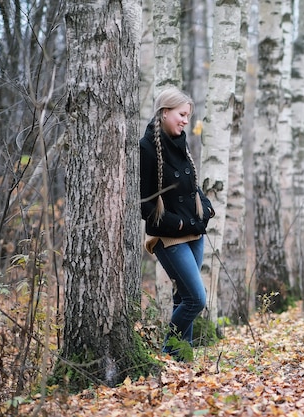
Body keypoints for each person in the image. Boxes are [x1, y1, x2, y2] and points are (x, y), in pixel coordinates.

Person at [140, 87, 215, 361]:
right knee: (196, 299)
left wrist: (206, 208)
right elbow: (145, 204)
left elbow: (191, 185)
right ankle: (165, 353)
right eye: (181, 115)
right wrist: (181, 224)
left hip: (195, 233)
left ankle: (181, 360)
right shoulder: (146, 148)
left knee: (183, 299)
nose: (185, 121)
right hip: (169, 237)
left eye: (187, 116)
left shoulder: (180, 140)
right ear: (165, 112)